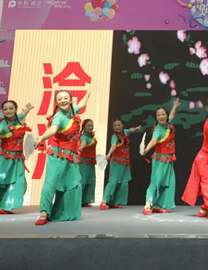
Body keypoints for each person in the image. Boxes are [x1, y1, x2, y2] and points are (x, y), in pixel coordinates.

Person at [33, 90, 91, 225]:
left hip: (71, 157)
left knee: (73, 184)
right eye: (59, 99)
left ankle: (63, 213)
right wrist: (41, 138)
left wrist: (87, 94)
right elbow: (53, 129)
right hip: (57, 155)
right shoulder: (58, 117)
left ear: (71, 100)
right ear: (56, 102)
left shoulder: (73, 111)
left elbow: (82, 104)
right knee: (51, 183)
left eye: (65, 98)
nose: (63, 101)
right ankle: (43, 213)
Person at [140, 99, 180, 215]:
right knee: (155, 182)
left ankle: (158, 205)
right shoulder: (158, 130)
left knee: (168, 183)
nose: (161, 117)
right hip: (160, 160)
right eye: (159, 115)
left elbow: (172, 116)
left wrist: (174, 106)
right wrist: (146, 150)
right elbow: (153, 141)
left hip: (169, 160)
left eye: (163, 114)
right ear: (156, 117)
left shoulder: (168, 125)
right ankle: (147, 205)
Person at [101, 118, 141, 210]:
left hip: (125, 162)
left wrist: (137, 128)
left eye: (119, 125)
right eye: (115, 126)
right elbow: (113, 145)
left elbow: (131, 130)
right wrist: (109, 154)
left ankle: (116, 202)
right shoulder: (114, 137)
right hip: (116, 162)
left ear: (122, 125)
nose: (117, 127)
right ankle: (104, 201)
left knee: (124, 182)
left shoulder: (125, 132)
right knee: (113, 181)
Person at [77, 119, 98, 207]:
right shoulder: (83, 137)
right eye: (88, 126)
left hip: (91, 162)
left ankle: (85, 201)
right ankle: (77, 201)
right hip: (84, 163)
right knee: (83, 181)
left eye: (91, 125)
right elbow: (83, 142)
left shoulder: (91, 137)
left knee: (91, 181)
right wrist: (81, 147)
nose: (90, 127)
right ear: (84, 127)